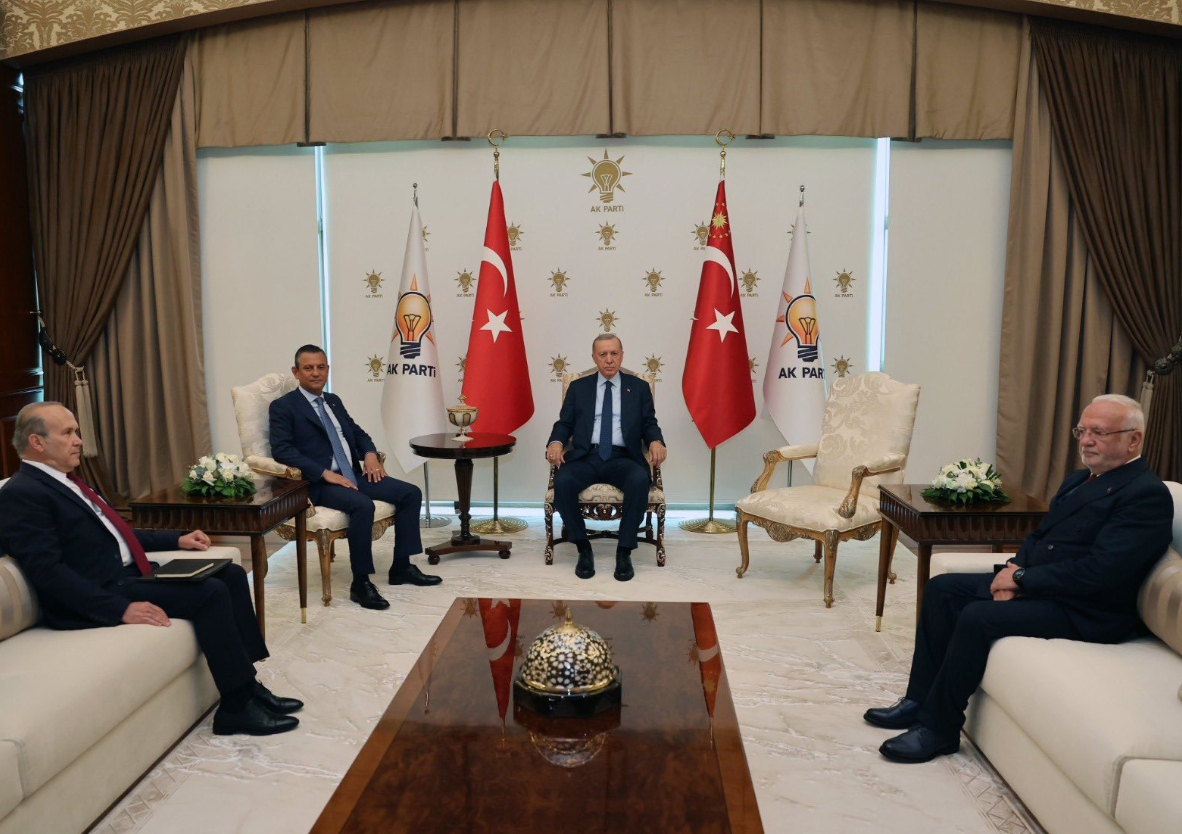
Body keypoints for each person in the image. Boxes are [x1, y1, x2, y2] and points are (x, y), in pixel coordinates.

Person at [865, 394, 1174, 763]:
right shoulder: (1079, 479)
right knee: (942, 589)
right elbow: (1039, 537)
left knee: (978, 617)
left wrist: (1023, 580)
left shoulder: (1145, 495)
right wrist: (1012, 572)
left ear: (1133, 439)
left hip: (1090, 610)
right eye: (1082, 431)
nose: (1086, 441)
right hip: (1048, 588)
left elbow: (1101, 572)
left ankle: (939, 729)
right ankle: (918, 700)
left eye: (1099, 433)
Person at [0, 402, 302, 736]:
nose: (78, 440)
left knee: (229, 573)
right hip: (103, 589)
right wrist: (120, 608)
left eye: (77, 432)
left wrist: (178, 538)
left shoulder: (67, 481)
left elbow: (116, 533)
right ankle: (235, 707)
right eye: (68, 432)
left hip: (125, 575)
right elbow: (48, 572)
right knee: (210, 593)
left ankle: (249, 685)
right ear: (37, 442)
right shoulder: (22, 493)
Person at [269, 344, 440, 611]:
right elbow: (282, 450)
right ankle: (360, 583)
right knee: (362, 505)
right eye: (308, 368)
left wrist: (369, 453)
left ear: (327, 369)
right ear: (296, 372)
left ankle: (401, 567)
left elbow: (358, 433)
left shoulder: (333, 401)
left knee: (410, 493)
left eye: (321, 367)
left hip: (353, 475)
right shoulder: (283, 406)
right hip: (319, 483)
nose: (315, 373)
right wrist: (324, 473)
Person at [546, 334, 667, 581]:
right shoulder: (578, 387)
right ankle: (583, 547)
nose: (609, 360)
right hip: (586, 455)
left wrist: (656, 440)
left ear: (622, 355)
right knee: (563, 481)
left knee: (638, 480)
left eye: (614, 353)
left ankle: (624, 551)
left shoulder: (639, 387)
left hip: (623, 457)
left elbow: (649, 423)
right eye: (603, 354)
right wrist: (556, 442)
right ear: (594, 357)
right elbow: (565, 422)